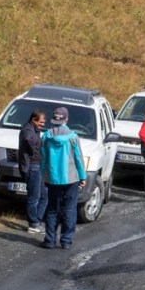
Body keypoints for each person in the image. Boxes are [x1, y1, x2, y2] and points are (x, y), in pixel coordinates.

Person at [41, 105, 86, 249]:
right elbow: (78, 158)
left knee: (52, 208)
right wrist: (83, 176)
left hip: (52, 178)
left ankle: (49, 240)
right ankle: (66, 241)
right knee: (70, 209)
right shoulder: (73, 137)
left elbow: (43, 158)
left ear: (53, 119)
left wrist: (43, 175)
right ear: (66, 119)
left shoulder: (46, 136)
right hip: (71, 178)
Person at [19, 110, 47, 234]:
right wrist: (35, 152)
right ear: (33, 120)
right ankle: (33, 224)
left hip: (37, 166)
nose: (43, 124)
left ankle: (37, 220)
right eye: (41, 122)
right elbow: (27, 140)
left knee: (44, 195)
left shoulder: (35, 130)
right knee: (34, 197)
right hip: (31, 166)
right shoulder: (28, 130)